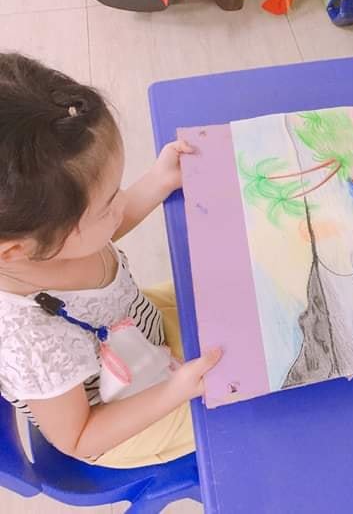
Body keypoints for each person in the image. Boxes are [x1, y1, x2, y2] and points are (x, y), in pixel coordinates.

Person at [0, 52, 222, 468]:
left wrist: (157, 181)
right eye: (106, 205)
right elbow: (79, 438)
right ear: (16, 250)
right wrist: (176, 391)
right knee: (250, 404)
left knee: (231, 296)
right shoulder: (30, 342)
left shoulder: (38, 241)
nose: (120, 206)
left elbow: (100, 233)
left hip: (139, 329)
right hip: (121, 414)